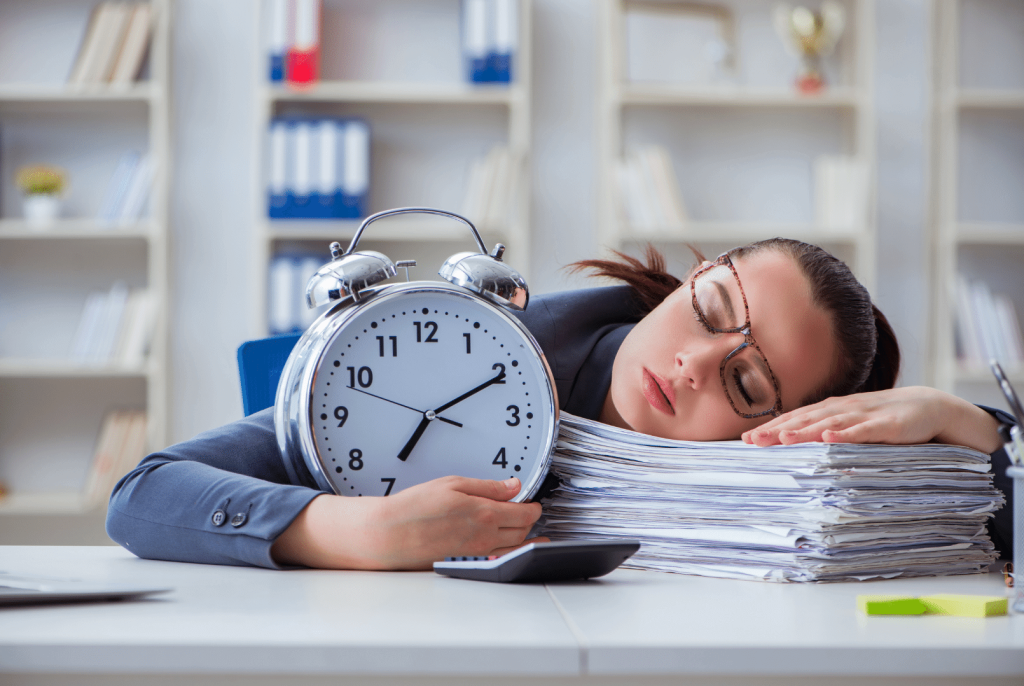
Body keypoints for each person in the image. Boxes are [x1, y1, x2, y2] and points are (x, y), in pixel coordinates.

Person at [107, 238, 1015, 569]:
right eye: (708, 311)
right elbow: (143, 494)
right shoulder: (488, 347)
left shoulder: (781, 478)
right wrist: (348, 531)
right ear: (689, 280)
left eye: (746, 384)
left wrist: (974, 428)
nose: (693, 364)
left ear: (778, 428)